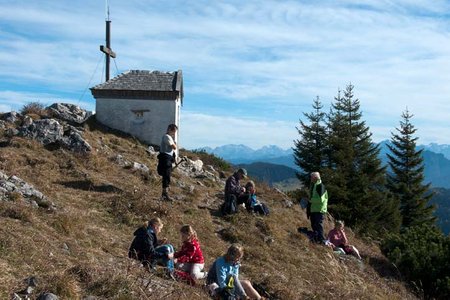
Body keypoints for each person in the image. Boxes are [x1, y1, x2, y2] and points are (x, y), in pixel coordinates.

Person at [157, 124, 178, 201]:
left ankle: (165, 194)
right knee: (166, 176)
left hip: (168, 158)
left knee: (167, 176)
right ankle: (164, 195)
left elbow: (172, 150)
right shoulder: (167, 137)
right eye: (174, 131)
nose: (174, 133)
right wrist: (174, 144)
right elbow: (174, 147)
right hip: (165, 158)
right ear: (170, 129)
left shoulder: (170, 137)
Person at [308, 172, 328, 244]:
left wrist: (311, 200)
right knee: (314, 225)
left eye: (311, 177)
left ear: (315, 178)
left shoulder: (320, 186)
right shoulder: (314, 186)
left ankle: (322, 240)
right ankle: (316, 239)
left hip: (319, 210)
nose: (310, 179)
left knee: (319, 225)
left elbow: (320, 200)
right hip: (314, 209)